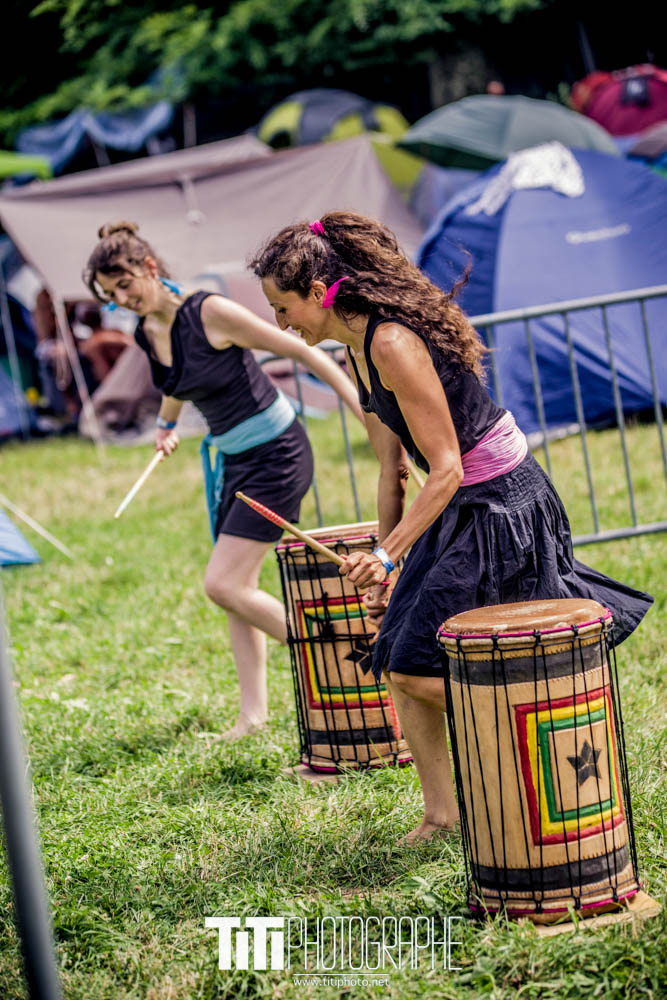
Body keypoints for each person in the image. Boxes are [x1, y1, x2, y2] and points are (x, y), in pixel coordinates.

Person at [251, 210, 653, 843]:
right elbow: (393, 472)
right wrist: (385, 569)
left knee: (426, 669)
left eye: (283, 307)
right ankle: (443, 816)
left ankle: (547, 735)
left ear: (320, 292)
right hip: (456, 506)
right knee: (400, 657)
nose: (279, 324)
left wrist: (387, 557)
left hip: (499, 504)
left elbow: (445, 470)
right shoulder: (358, 353)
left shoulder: (390, 343)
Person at [83, 221, 363, 741]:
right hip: (235, 462)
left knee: (224, 585)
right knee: (237, 591)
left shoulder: (210, 312)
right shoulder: (148, 331)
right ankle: (253, 716)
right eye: (110, 295)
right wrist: (166, 426)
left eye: (124, 286)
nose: (121, 300)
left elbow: (303, 352)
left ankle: (336, 659)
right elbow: (177, 381)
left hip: (276, 454)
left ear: (149, 268)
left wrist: (362, 411)